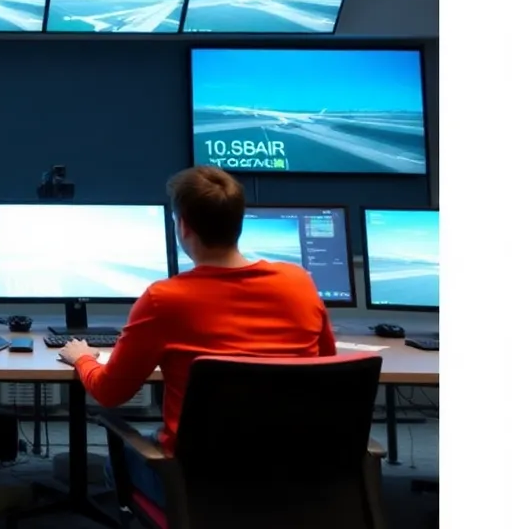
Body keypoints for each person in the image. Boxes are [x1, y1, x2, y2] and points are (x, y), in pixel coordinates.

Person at [58, 166, 337, 507]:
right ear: (239, 221)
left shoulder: (164, 299)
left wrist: (82, 357)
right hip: (293, 476)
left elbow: (110, 392)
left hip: (196, 485)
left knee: (116, 466)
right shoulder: (300, 283)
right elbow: (327, 366)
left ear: (183, 226)